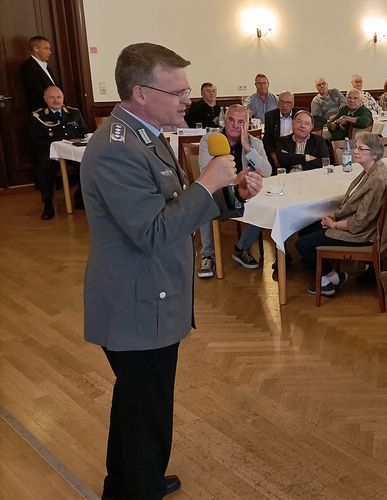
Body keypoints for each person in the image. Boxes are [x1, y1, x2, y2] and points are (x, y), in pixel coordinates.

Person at [80, 42, 263, 499]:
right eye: (177, 90)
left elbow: (177, 206)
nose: (188, 98)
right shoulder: (115, 149)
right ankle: (137, 486)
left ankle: (123, 484)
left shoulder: (145, 135)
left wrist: (231, 190)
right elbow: (153, 231)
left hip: (151, 298)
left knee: (135, 405)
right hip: (137, 306)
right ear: (141, 93)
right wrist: (206, 183)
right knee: (148, 413)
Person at [296, 132, 387, 296]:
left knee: (302, 244)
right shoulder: (374, 169)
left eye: (361, 149)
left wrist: (334, 224)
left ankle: (327, 281)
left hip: (364, 234)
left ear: (375, 154)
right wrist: (335, 217)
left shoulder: (377, 178)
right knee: (305, 228)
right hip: (364, 226)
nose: (355, 151)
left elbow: (360, 222)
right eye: (355, 147)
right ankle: (332, 276)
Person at [197, 104, 272, 278]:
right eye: (231, 120)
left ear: (247, 124)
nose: (235, 125)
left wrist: (248, 148)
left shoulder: (255, 143)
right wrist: (236, 178)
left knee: (264, 203)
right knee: (202, 200)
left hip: (246, 194)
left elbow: (267, 172)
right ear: (225, 120)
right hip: (219, 193)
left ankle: (242, 248)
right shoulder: (210, 140)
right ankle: (207, 254)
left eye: (241, 121)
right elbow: (206, 173)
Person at [29, 86, 89, 220]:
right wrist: (57, 146)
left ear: (63, 98)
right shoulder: (38, 116)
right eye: (52, 97)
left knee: (88, 164)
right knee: (43, 167)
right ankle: (48, 204)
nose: (56, 100)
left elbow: (85, 132)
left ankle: (80, 197)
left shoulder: (74, 113)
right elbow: (37, 141)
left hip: (72, 152)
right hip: (52, 154)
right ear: (45, 99)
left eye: (59, 97)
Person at [20, 35, 59, 112]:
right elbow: (37, 92)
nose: (50, 52)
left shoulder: (44, 65)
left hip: (54, 109)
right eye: (46, 49)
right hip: (43, 111)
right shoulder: (29, 67)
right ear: (36, 49)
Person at [262, 91, 299, 156]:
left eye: (288, 102)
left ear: (293, 104)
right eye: (282, 102)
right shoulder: (270, 116)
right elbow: (267, 140)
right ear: (278, 103)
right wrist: (274, 156)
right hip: (277, 151)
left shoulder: (300, 115)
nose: (284, 105)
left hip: (296, 151)